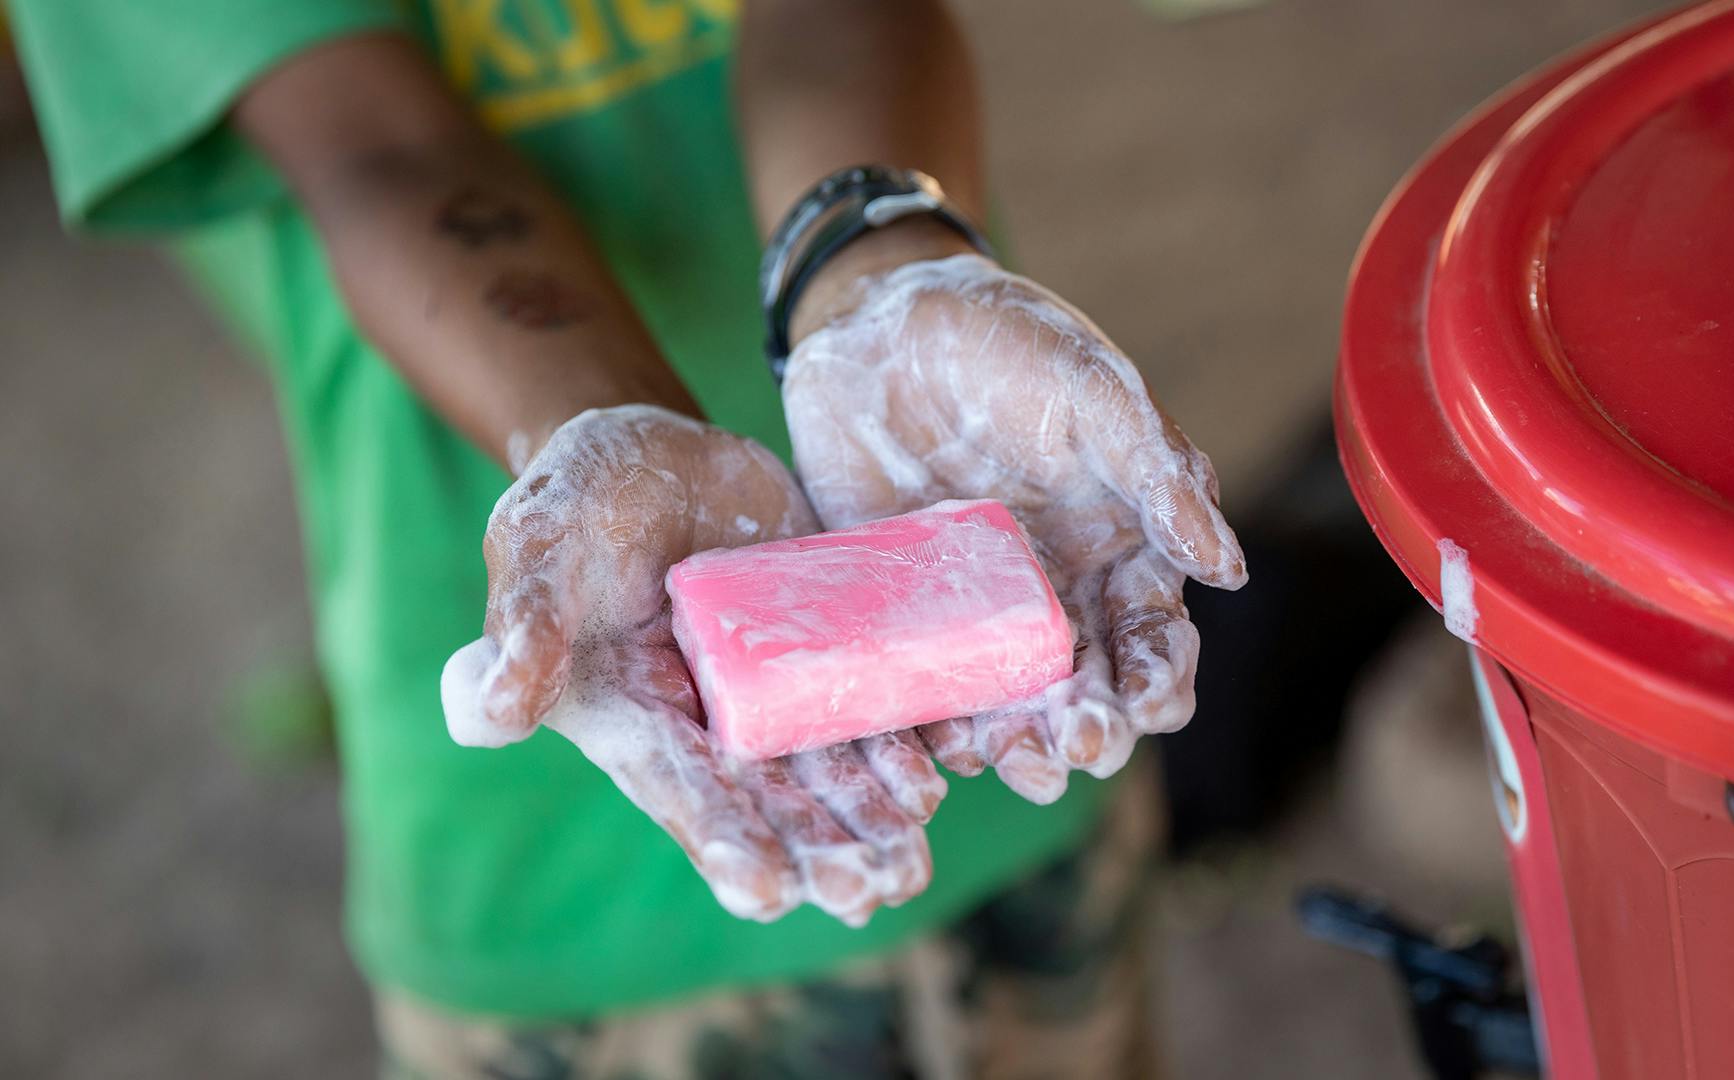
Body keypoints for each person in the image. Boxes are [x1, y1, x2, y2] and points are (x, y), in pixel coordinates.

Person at [9, 1, 1245, 1075]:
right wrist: (601, 429)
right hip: (550, 833)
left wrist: (880, 266)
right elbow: (372, 141)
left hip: (1009, 764)